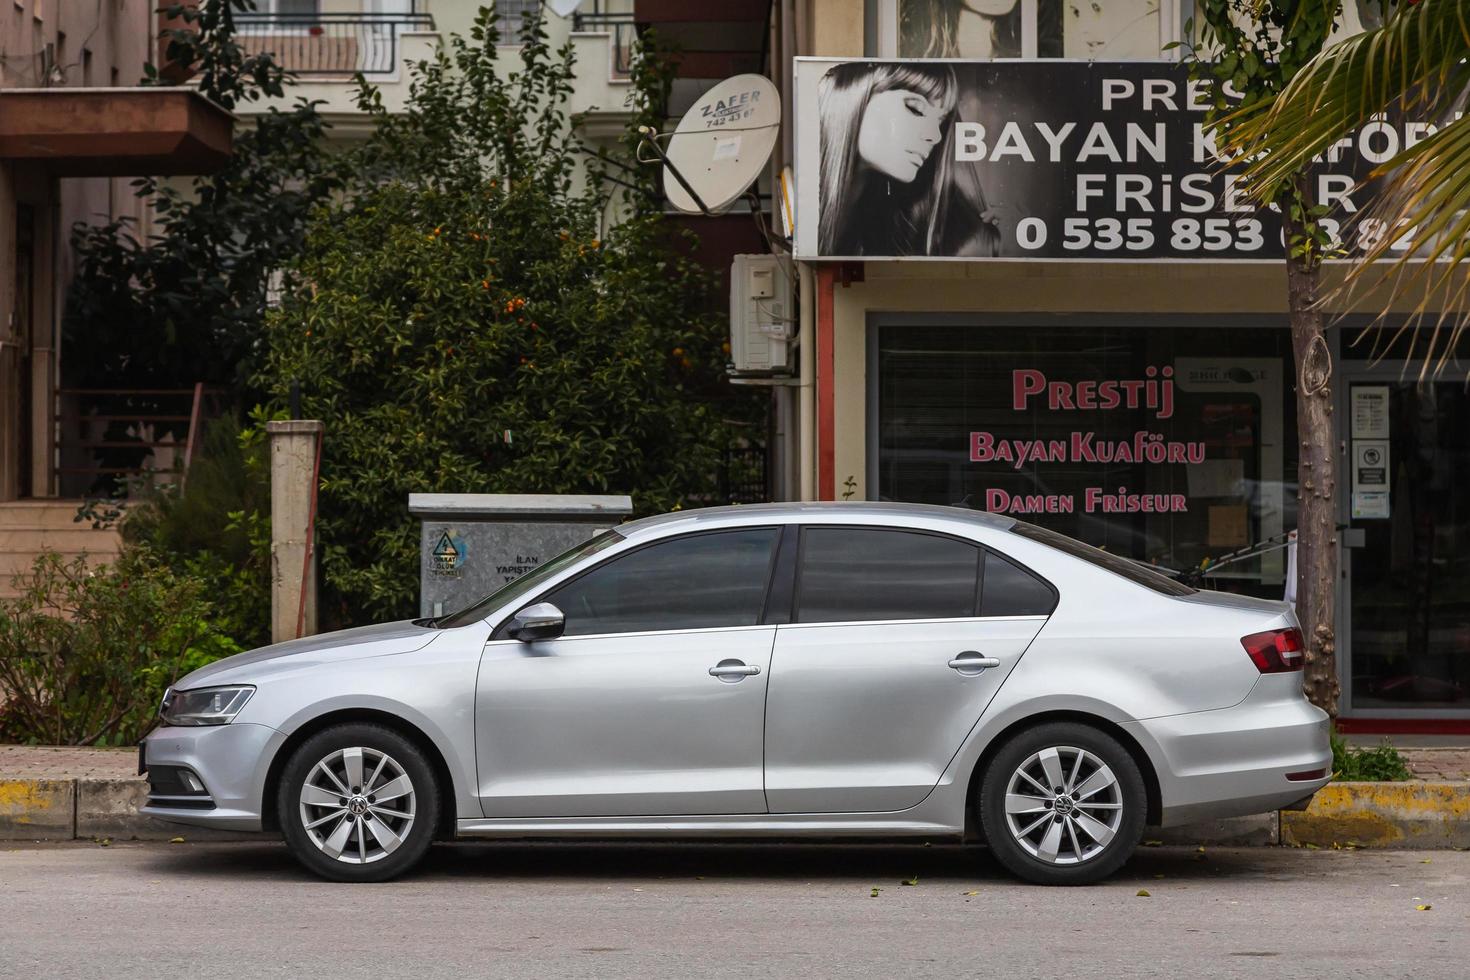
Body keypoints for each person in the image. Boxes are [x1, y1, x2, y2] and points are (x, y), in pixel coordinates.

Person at [817, 62, 1000, 257]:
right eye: (915, 109)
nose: (935, 136)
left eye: (941, 120)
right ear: (854, 100)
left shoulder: (910, 223)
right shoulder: (801, 209)